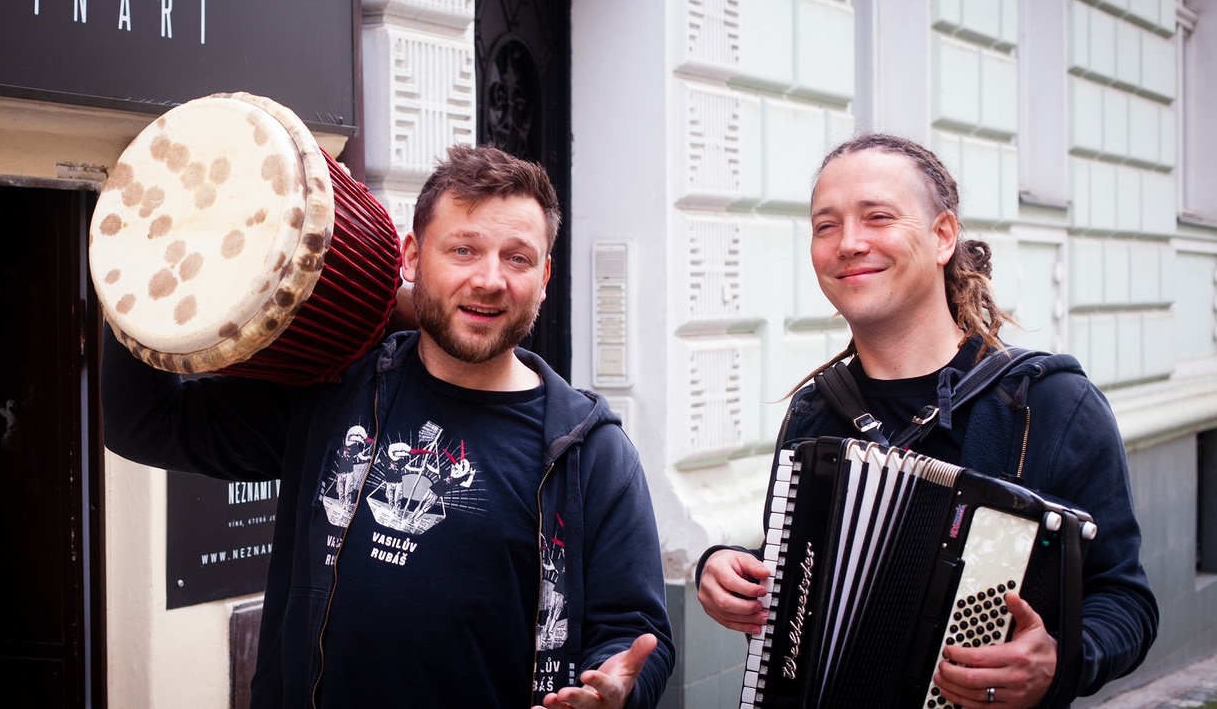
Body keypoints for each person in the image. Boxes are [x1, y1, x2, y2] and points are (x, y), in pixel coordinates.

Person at [103, 144, 674, 708]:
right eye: (463, 250)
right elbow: (143, 421)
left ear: (545, 276)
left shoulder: (591, 452)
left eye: (518, 259)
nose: (490, 279)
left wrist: (617, 692)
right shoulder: (334, 393)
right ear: (411, 256)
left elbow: (634, 632)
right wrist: (148, 253)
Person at [695, 133, 1158, 709]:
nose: (848, 243)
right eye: (826, 226)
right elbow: (797, 581)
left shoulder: (1052, 403)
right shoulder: (815, 413)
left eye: (878, 217)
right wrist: (724, 572)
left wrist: (1061, 663)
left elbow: (1124, 599)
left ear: (943, 236)